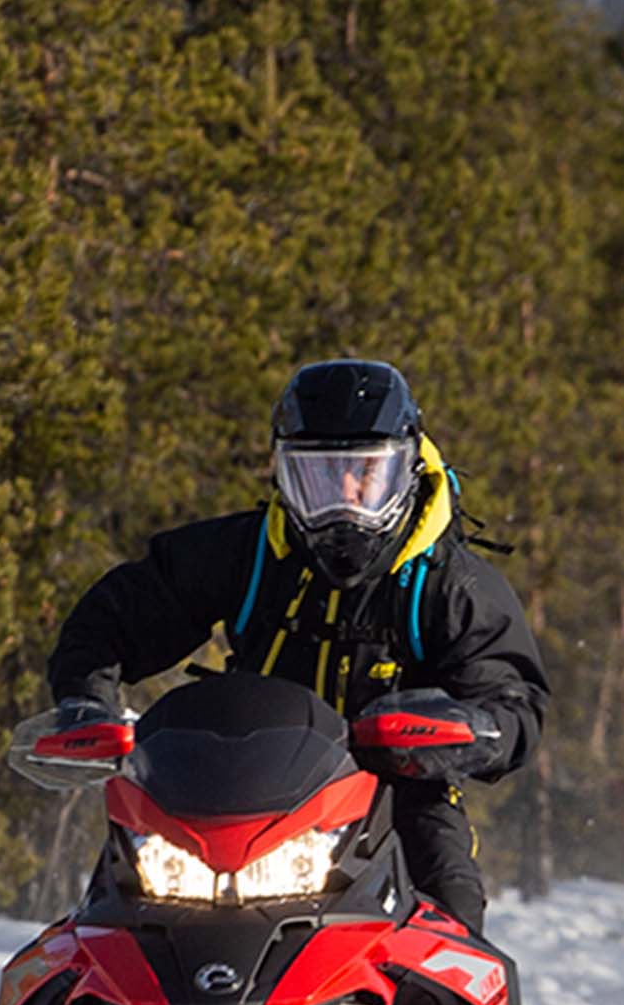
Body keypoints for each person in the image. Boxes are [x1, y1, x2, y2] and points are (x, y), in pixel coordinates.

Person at [43, 358, 549, 933]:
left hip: (395, 792)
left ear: (404, 471)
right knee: (101, 926)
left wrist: (463, 729)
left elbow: (513, 699)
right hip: (237, 794)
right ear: (282, 475)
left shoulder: (450, 583)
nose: (343, 499)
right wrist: (87, 701)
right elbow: (117, 615)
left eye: (365, 475)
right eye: (318, 478)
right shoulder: (251, 553)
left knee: (454, 920)